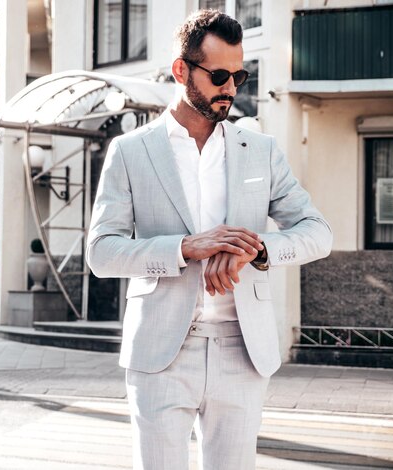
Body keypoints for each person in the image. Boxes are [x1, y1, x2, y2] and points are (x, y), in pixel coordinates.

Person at [86, 9, 333, 470]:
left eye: (239, 75)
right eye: (219, 75)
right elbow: (102, 251)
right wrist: (184, 248)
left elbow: (318, 233)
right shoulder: (131, 151)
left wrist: (256, 249)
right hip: (161, 352)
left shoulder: (261, 151)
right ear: (181, 70)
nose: (231, 88)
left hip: (243, 350)